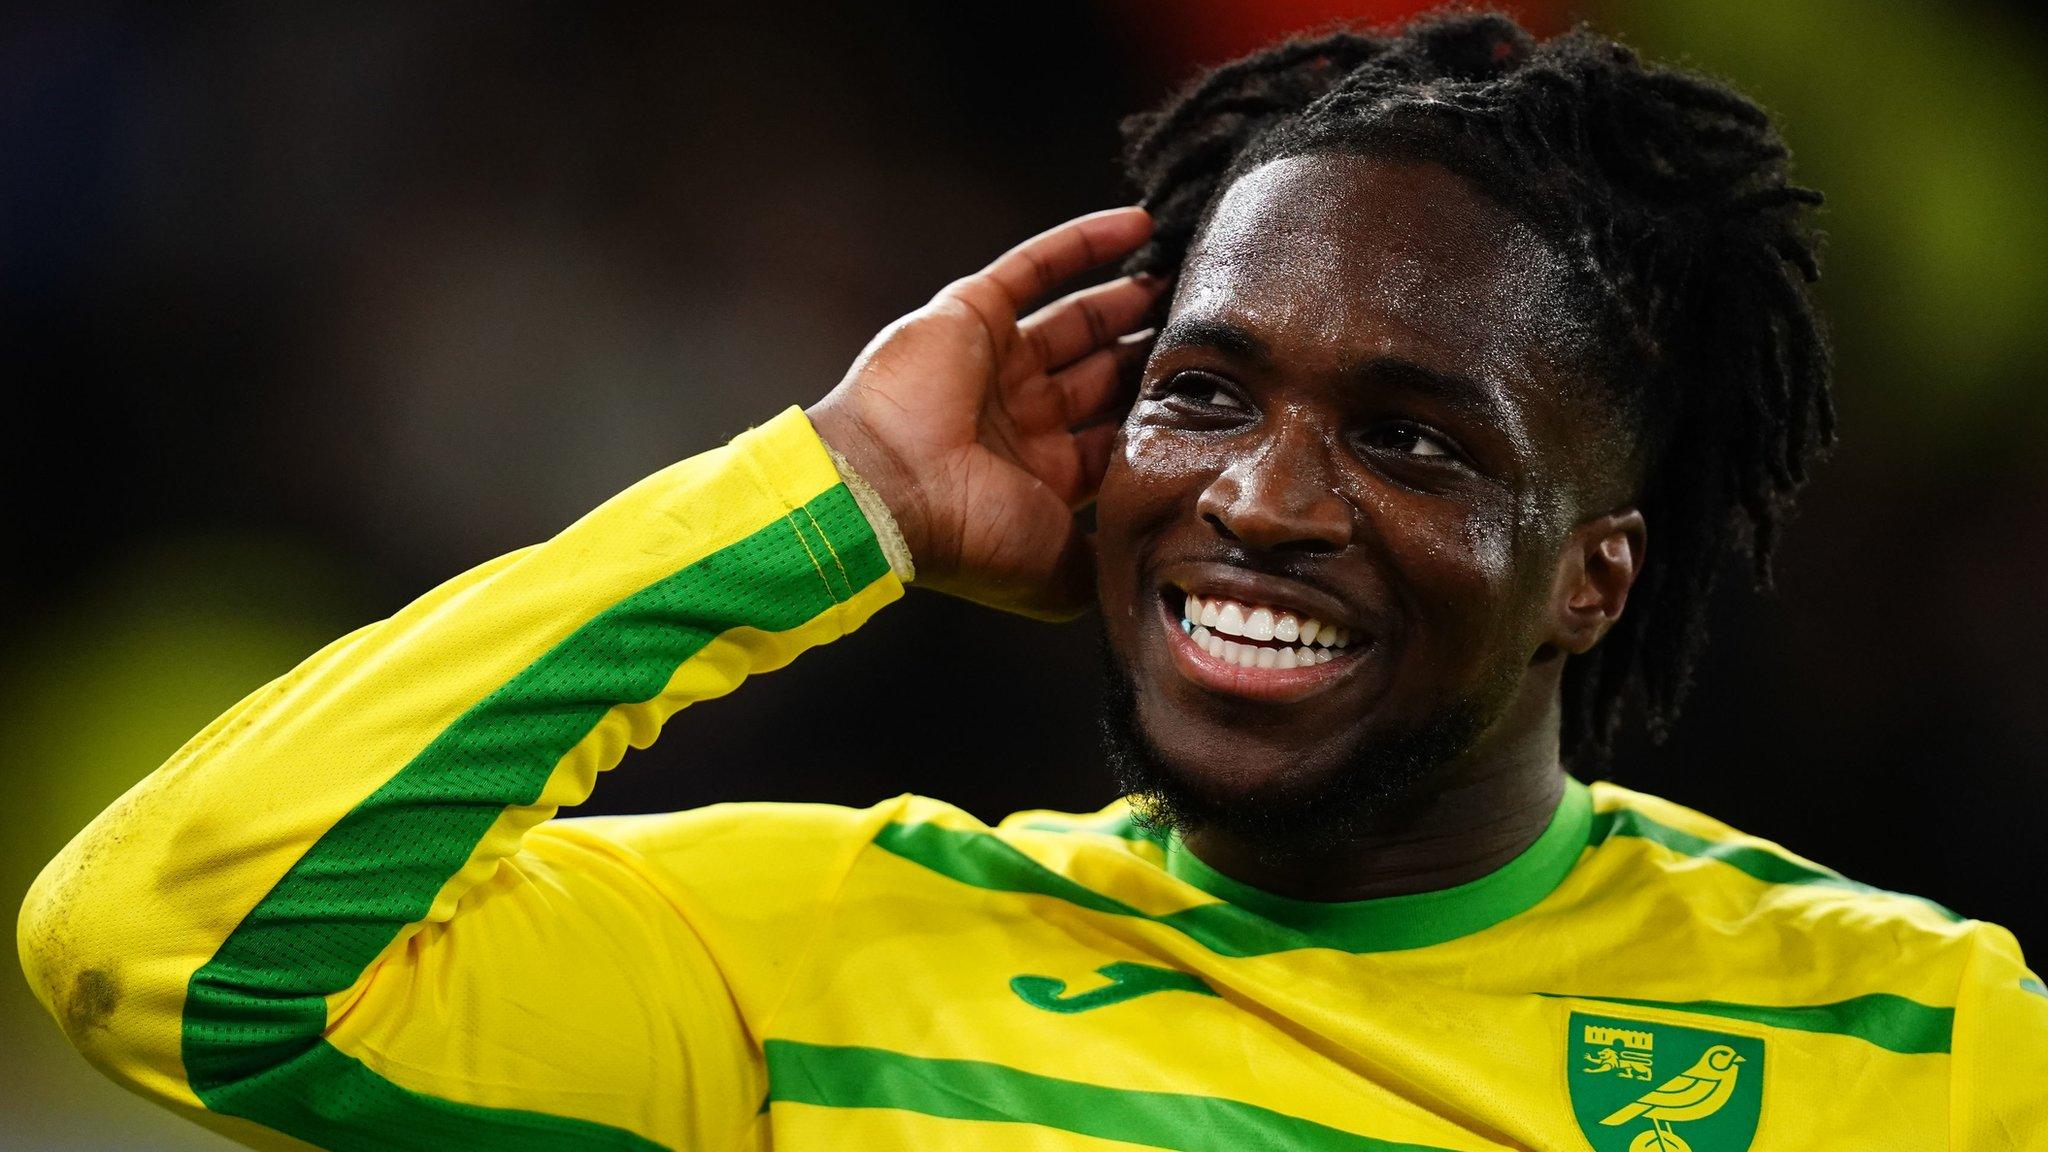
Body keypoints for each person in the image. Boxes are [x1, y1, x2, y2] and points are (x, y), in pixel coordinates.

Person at [19, 10, 2046, 1151]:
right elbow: (168, 941)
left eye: (1410, 437)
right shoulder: (808, 976)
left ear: (1593, 576)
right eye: (1203, 393)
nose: (1261, 495)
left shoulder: (1914, 1046)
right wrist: (839, 497)